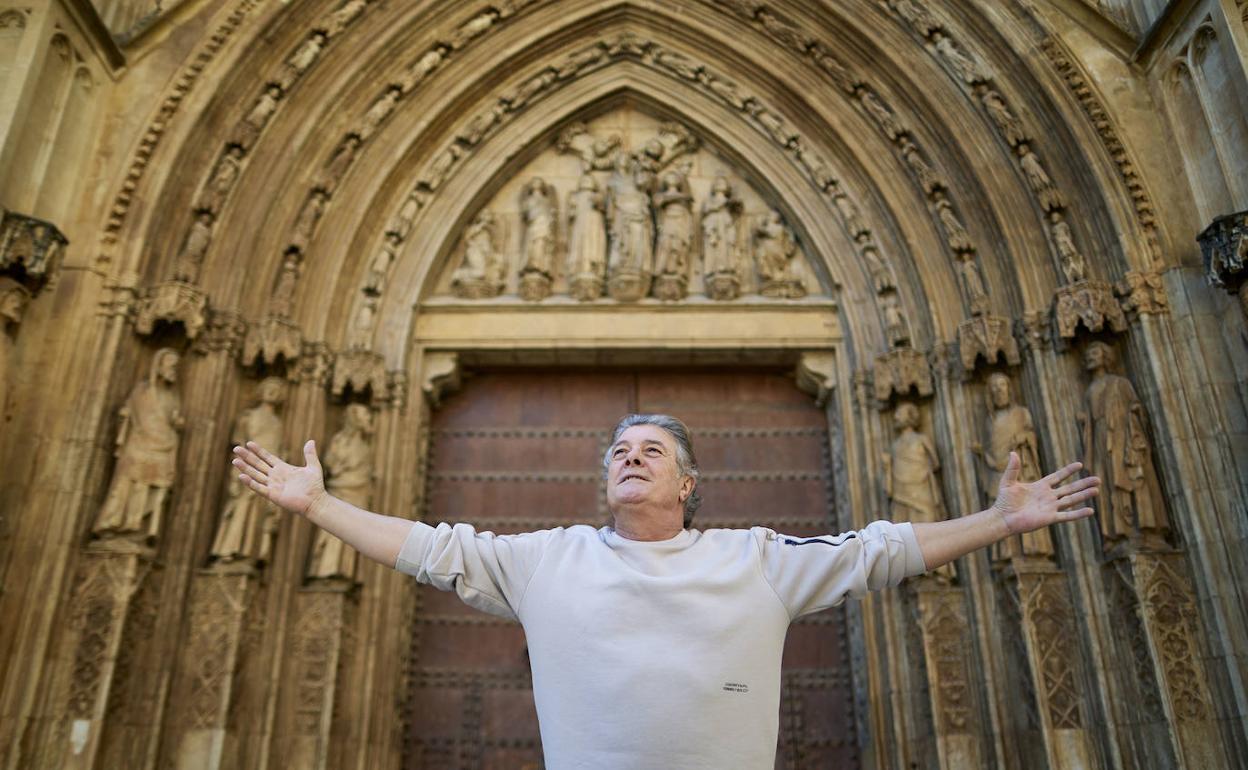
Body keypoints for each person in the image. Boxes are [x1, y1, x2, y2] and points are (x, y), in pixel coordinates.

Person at [231, 413, 1099, 769]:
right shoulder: (548, 561)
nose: (630, 456)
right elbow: (424, 548)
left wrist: (1001, 521)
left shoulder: (755, 559)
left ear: (689, 484)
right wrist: (318, 504)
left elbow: (882, 550)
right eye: (618, 449)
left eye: (651, 450)